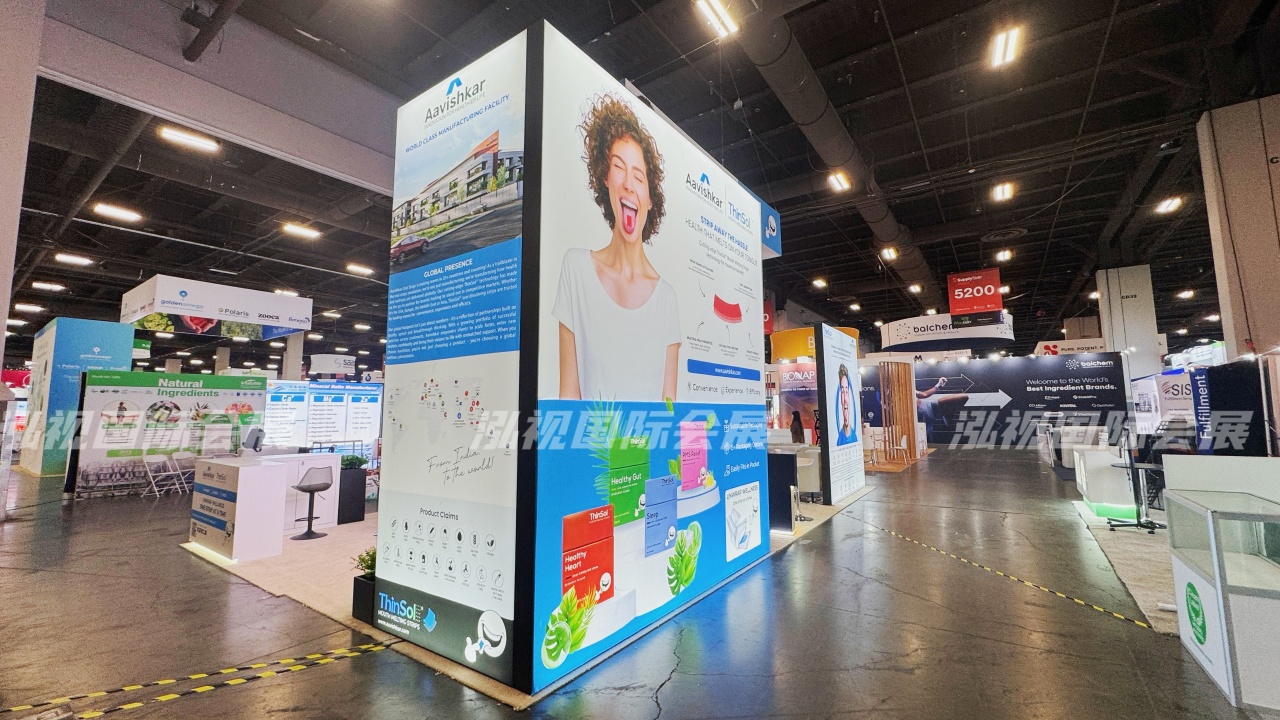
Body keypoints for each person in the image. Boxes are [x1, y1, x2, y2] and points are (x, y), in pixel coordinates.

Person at [554, 94, 680, 401]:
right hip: (591, 436)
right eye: (618, 167)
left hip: (647, 437)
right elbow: (568, 398)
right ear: (605, 179)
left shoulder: (666, 299)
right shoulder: (576, 269)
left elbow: (668, 410)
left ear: (649, 200)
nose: (628, 184)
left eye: (639, 176)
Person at [835, 364, 857, 446]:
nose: (845, 399)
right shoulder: (839, 438)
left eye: (847, 392)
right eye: (842, 392)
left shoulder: (854, 437)